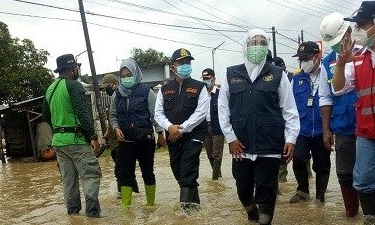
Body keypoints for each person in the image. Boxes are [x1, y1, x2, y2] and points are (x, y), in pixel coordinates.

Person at [218, 29, 300, 225]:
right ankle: (251, 213)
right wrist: (231, 138)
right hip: (241, 145)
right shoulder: (231, 74)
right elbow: (223, 109)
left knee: (267, 189)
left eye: (263, 43)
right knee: (243, 188)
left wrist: (291, 139)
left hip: (269, 144)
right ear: (245, 46)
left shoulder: (278, 75)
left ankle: (264, 221)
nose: (258, 46)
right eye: (254, 42)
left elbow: (290, 110)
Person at [42, 54, 102, 217]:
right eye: (76, 67)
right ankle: (92, 214)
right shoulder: (74, 86)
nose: (77, 70)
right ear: (71, 69)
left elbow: (45, 115)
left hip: (59, 142)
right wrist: (93, 137)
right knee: (91, 174)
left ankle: (73, 213)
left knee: (68, 180)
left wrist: (59, 126)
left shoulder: (50, 89)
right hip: (76, 139)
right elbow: (82, 113)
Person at [332, 2, 375, 223]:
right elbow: (339, 88)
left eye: (362, 24)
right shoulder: (357, 58)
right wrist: (340, 63)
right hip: (366, 132)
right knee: (363, 180)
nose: (358, 30)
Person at [154, 48, 208, 212]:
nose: (186, 65)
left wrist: (181, 130)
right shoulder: (164, 89)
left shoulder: (200, 87)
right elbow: (158, 113)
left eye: (188, 62)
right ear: (172, 67)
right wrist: (170, 127)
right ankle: (196, 208)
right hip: (172, 137)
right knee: (178, 171)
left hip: (193, 136)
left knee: (188, 169)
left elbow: (201, 113)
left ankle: (184, 214)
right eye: (181, 63)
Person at [109, 58, 166, 208]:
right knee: (125, 174)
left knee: (148, 172)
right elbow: (113, 115)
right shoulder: (117, 95)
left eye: (129, 74)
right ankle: (126, 209)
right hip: (125, 141)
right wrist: (116, 128)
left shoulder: (147, 91)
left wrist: (160, 133)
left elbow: (155, 115)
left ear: (135, 73)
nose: (127, 78)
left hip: (145, 140)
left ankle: (150, 205)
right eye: (124, 75)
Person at [319, 12, 359, 217]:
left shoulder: (366, 52)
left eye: (339, 40)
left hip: (368, 124)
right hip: (343, 126)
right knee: (344, 173)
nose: (337, 45)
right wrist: (326, 129)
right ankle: (351, 214)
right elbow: (325, 98)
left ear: (350, 32)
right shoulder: (327, 63)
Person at [289, 41, 331, 204]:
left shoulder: (328, 74)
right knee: (298, 159)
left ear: (316, 57)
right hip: (301, 129)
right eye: (300, 59)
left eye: (305, 58)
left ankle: (320, 196)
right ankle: (302, 191)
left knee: (322, 164)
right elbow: (290, 105)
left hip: (322, 129)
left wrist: (330, 129)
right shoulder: (296, 78)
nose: (302, 62)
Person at [100, 74, 139, 195]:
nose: (106, 90)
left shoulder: (121, 97)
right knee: (123, 169)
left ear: (114, 83)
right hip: (114, 142)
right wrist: (105, 137)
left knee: (121, 170)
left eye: (107, 87)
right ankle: (131, 193)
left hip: (121, 141)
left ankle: (124, 196)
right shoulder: (114, 99)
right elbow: (112, 121)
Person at [201, 68, 225, 180]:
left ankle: (215, 179)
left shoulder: (221, 94)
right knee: (209, 154)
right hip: (205, 127)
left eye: (208, 78)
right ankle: (218, 174)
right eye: (204, 79)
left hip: (218, 127)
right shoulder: (201, 94)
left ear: (213, 78)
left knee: (216, 154)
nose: (206, 80)